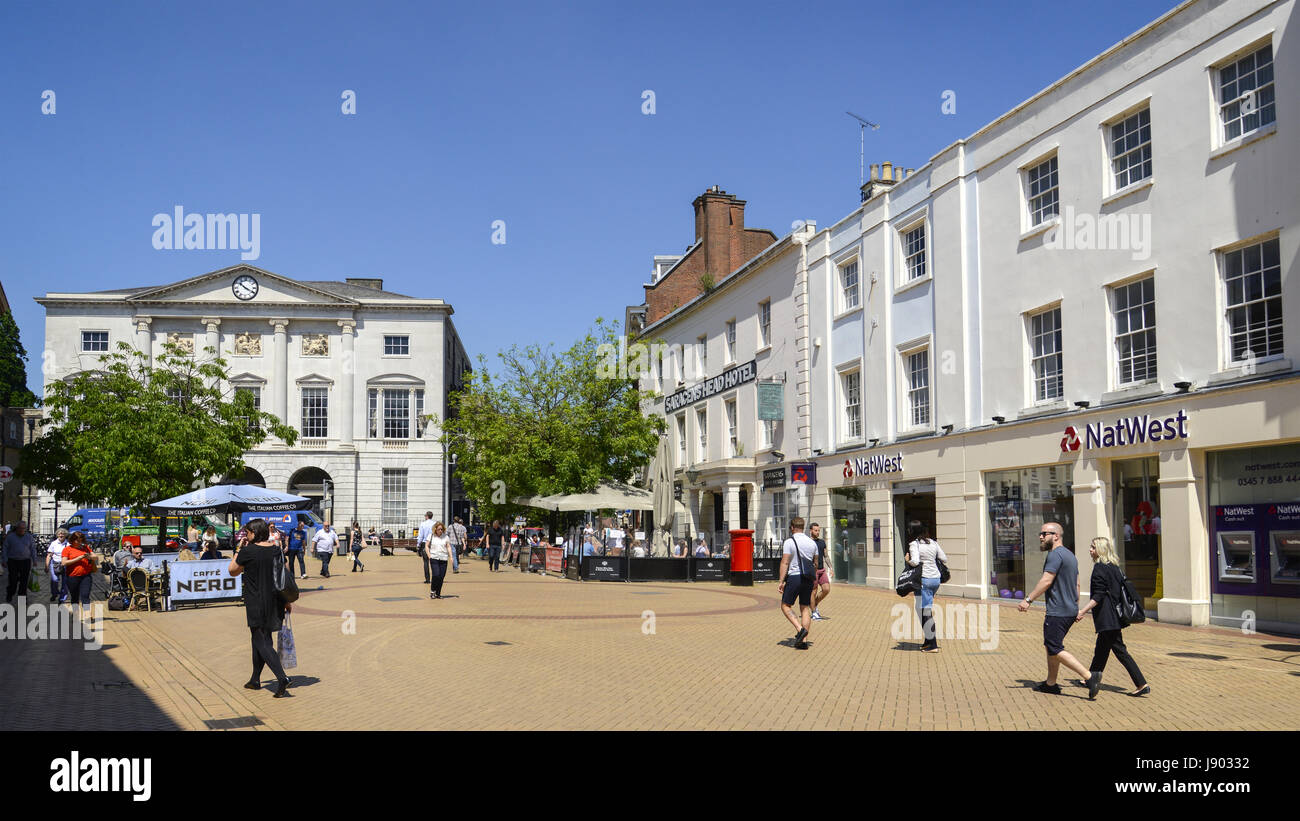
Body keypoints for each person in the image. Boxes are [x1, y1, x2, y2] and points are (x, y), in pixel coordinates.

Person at [1017, 521, 1091, 693]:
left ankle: (1089, 676)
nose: (1041, 537)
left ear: (1056, 536)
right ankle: (1051, 683)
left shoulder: (1055, 555)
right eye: (1041, 534)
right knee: (1052, 646)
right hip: (1069, 610)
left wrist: (1028, 600)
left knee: (1054, 647)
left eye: (1045, 534)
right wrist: (1075, 604)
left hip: (1058, 611)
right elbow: (1077, 584)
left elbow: (1047, 580)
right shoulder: (1070, 555)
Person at [1075, 537, 1150, 698]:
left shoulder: (1100, 568)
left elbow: (1098, 596)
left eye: (1093, 547)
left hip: (1107, 617)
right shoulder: (1114, 568)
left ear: (1100, 550)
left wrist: (1082, 611)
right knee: (1101, 650)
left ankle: (1141, 683)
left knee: (1120, 651)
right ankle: (1091, 678)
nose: (1090, 550)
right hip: (1114, 616)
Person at [227, 518, 293, 698]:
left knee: (260, 640)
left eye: (247, 533)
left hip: (256, 601)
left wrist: (239, 549)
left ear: (254, 533)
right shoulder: (276, 550)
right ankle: (255, 679)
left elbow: (232, 570)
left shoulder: (248, 551)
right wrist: (287, 601)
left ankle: (282, 677)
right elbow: (284, 575)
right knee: (262, 639)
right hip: (275, 600)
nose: (245, 536)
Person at [904, 521, 947, 652]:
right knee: (924, 609)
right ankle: (928, 642)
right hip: (935, 579)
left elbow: (915, 561)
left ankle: (932, 644)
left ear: (912, 531)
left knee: (924, 611)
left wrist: (907, 560)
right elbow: (944, 558)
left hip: (924, 580)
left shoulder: (914, 544)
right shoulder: (933, 543)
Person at [778, 517, 818, 650]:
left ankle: (800, 629)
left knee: (785, 605)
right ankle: (803, 641)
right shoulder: (812, 543)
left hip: (794, 577)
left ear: (792, 527)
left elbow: (785, 562)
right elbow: (816, 564)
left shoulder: (789, 542)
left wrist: (781, 581)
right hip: (808, 578)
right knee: (805, 608)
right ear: (804, 527)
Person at [60, 532, 97, 615]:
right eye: (77, 541)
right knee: (75, 597)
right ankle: (75, 614)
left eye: (81, 540)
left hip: (86, 576)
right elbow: (64, 563)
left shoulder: (86, 547)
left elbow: (95, 557)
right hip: (72, 577)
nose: (79, 542)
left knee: (85, 595)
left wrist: (90, 557)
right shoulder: (67, 549)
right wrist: (78, 558)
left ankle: (87, 614)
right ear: (72, 540)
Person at [3, 521, 37, 603]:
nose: (22, 530)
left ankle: (22, 598)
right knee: (13, 580)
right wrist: (4, 560)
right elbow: (5, 549)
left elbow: (33, 549)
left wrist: (34, 559)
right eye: (20, 528)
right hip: (13, 561)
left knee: (24, 581)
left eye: (23, 528)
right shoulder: (10, 537)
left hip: (25, 561)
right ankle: (10, 593)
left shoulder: (29, 537)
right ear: (17, 528)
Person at [809, 522, 832, 621]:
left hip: (822, 570)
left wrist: (831, 567)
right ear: (811, 531)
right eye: (815, 530)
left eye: (818, 530)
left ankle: (814, 604)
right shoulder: (808, 542)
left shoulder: (822, 542)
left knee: (826, 589)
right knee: (813, 592)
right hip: (813, 571)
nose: (818, 532)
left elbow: (826, 556)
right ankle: (814, 612)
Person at [427, 521, 452, 599]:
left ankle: (438, 593)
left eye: (441, 529)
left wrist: (451, 557)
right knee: (436, 575)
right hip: (434, 558)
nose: (440, 531)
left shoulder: (446, 537)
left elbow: (448, 547)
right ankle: (432, 591)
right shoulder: (431, 536)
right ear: (435, 529)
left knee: (441, 576)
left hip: (443, 558)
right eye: (439, 529)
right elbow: (426, 546)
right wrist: (429, 556)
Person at [46, 528, 71, 604]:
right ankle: (54, 593)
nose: (61, 535)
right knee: (54, 580)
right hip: (55, 564)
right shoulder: (53, 543)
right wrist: (46, 566)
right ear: (57, 535)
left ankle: (62, 598)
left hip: (65, 564)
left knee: (65, 582)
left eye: (62, 534)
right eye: (59, 534)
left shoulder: (68, 544)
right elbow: (49, 555)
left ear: (65, 535)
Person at [417, 511, 435, 582]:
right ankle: (435, 577)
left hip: (425, 543)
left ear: (427, 516)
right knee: (434, 561)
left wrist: (418, 545)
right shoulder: (435, 524)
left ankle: (427, 579)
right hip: (433, 543)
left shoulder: (423, 524)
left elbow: (420, 536)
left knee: (426, 562)